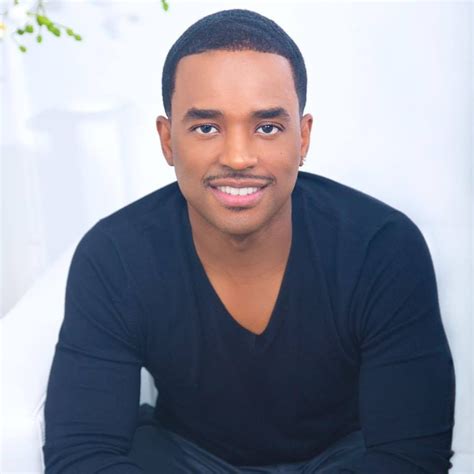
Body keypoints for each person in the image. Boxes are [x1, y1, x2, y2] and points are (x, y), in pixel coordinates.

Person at [43, 8, 455, 474]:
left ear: (302, 138)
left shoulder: (382, 248)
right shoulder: (114, 257)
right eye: (206, 127)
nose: (238, 157)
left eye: (267, 127)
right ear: (167, 140)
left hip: (342, 461)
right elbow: (82, 456)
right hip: (186, 459)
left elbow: (410, 458)